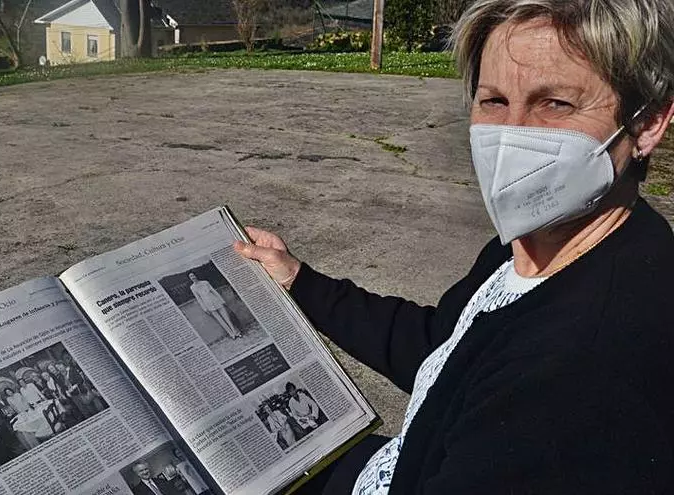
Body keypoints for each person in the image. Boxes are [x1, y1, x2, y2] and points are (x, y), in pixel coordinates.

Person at [234, 0, 674, 492]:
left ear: (647, 123)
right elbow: (444, 349)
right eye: (494, 101)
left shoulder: (578, 372)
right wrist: (299, 280)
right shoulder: (537, 247)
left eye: (556, 103)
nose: (512, 134)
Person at [188, 272, 242, 339]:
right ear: (190, 278)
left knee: (227, 318)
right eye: (191, 276)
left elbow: (214, 291)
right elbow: (198, 298)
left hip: (216, 301)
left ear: (196, 275)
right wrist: (205, 308)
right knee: (221, 321)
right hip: (208, 305)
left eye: (193, 275)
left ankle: (237, 332)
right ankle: (232, 334)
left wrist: (222, 300)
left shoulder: (205, 282)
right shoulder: (192, 287)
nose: (193, 277)